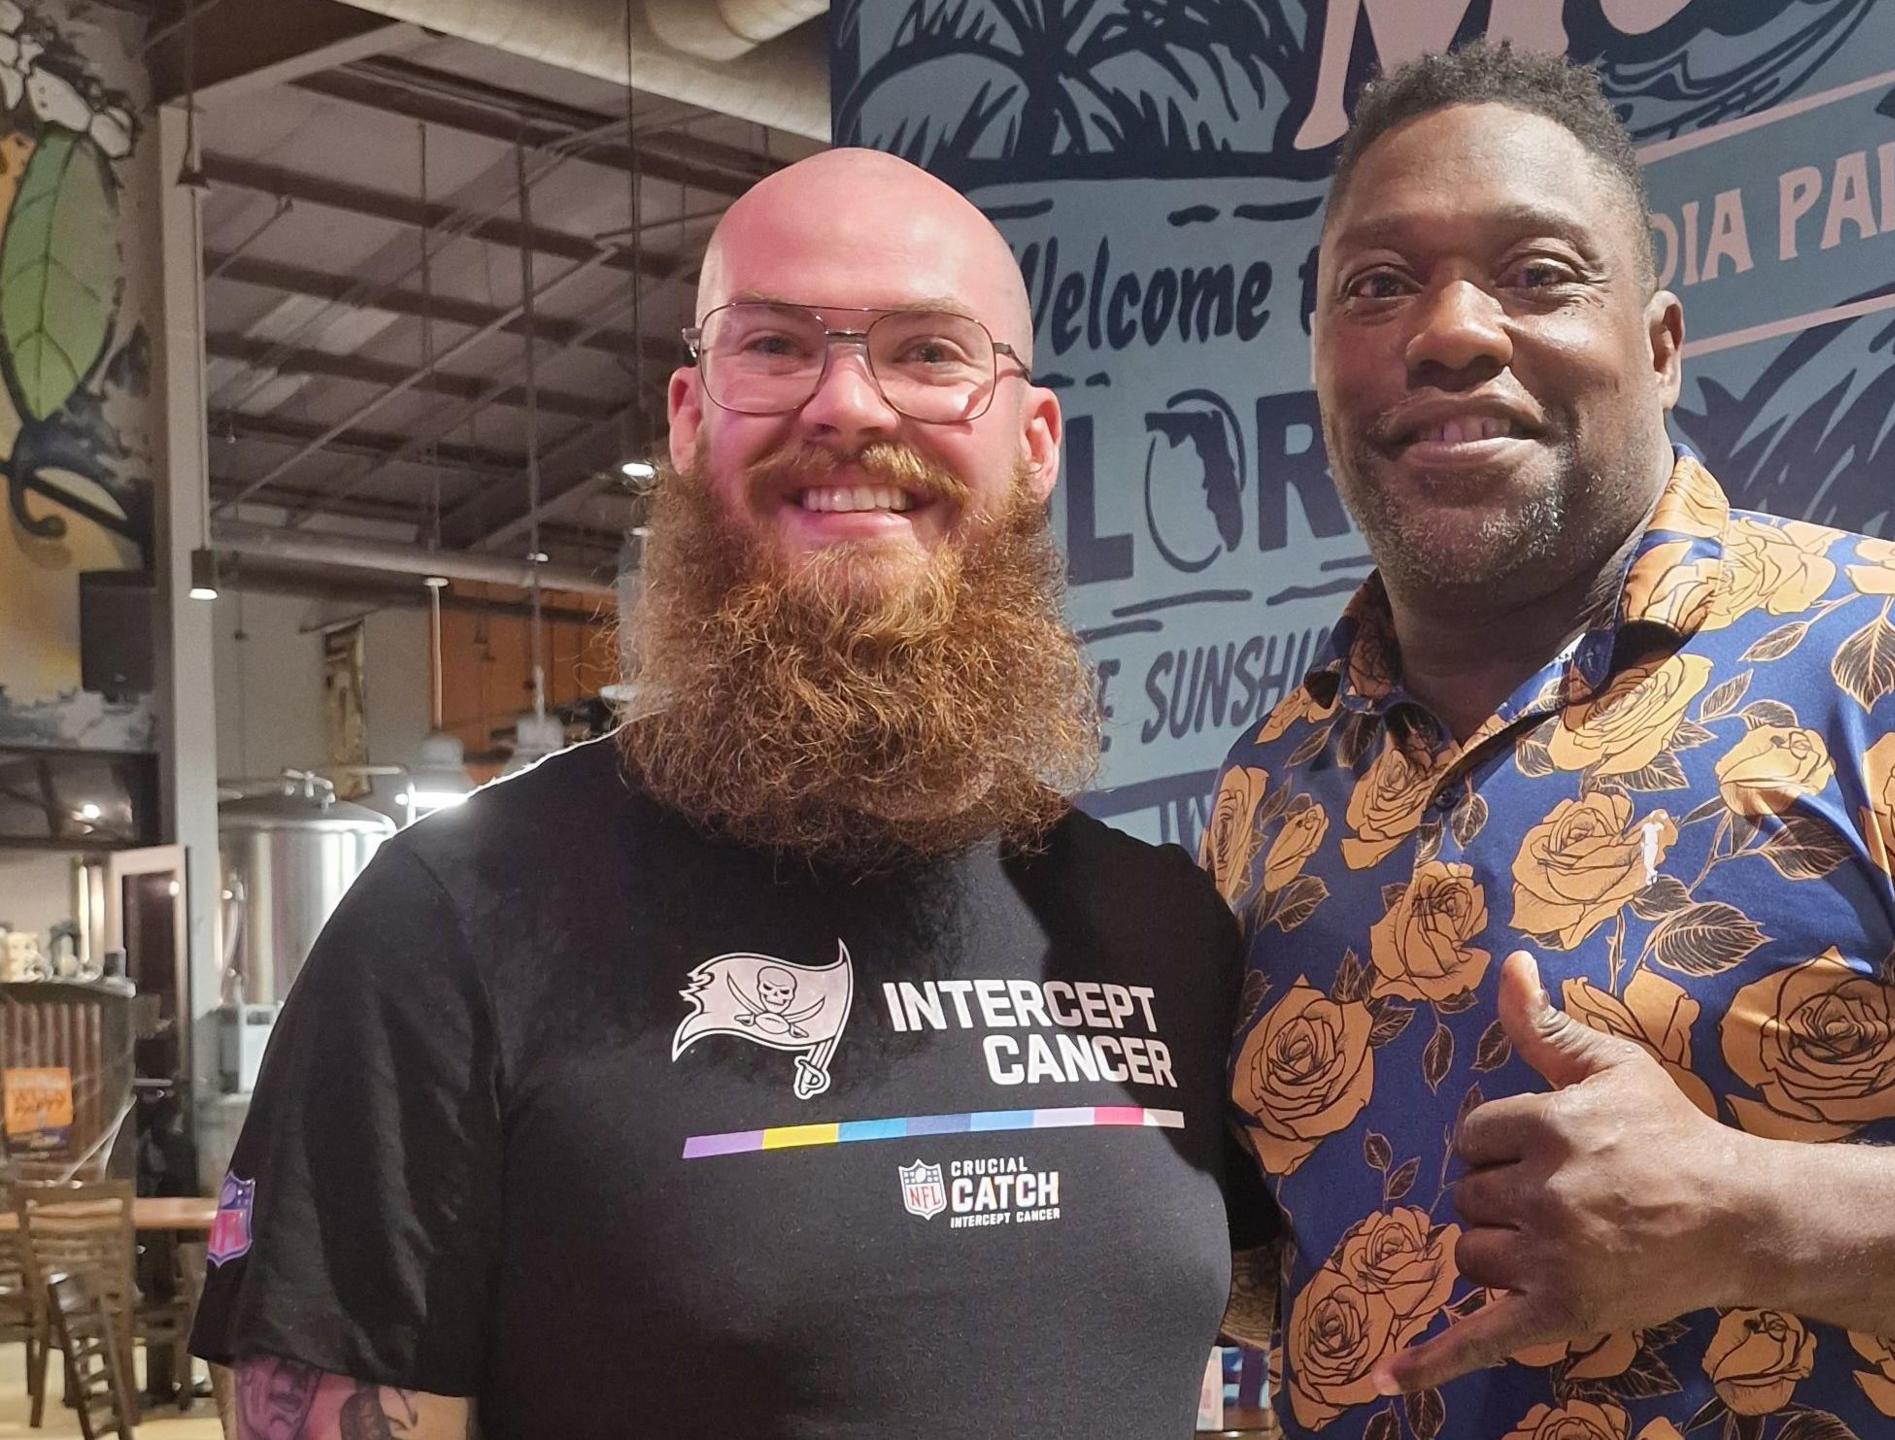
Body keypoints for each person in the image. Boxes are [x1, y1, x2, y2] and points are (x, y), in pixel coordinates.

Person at [1207, 44, 1895, 1440]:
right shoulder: (1277, 783)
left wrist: (1752, 1217)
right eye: (1379, 285)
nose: (1450, 331)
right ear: (1321, 353)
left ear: (1663, 347)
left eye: (1539, 274)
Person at [192, 148, 1274, 1438]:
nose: (847, 406)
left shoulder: (1162, 923)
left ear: (1033, 443)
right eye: (775, 348)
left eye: (929, 352)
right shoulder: (454, 921)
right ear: (691, 419)